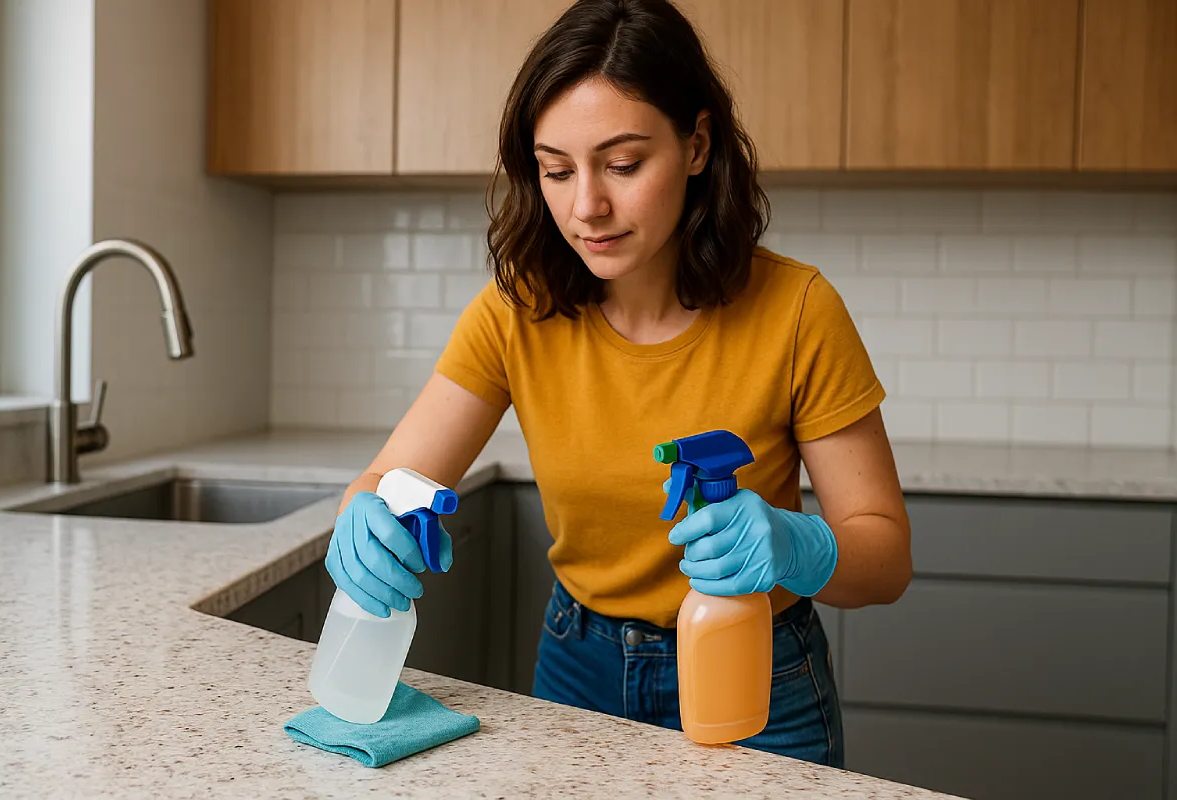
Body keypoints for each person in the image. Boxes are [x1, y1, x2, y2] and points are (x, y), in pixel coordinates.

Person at [323, 0, 911, 768]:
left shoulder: (798, 311)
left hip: (758, 672)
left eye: (624, 165)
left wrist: (801, 548)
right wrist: (362, 516)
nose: (586, 206)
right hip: (578, 664)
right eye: (556, 170)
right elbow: (385, 479)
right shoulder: (517, 311)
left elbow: (886, 555)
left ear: (696, 144)